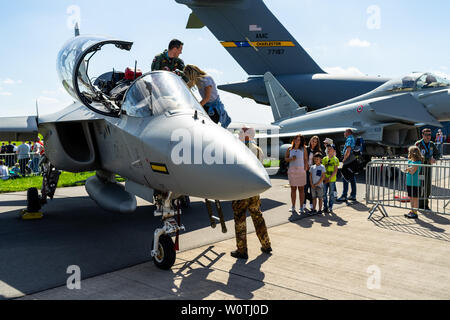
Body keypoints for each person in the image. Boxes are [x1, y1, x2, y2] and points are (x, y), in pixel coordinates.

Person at [230, 126, 272, 260]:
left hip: (241, 191)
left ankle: (242, 250)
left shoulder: (237, 149)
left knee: (240, 219)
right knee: (258, 217)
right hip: (254, 191)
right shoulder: (258, 150)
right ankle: (266, 244)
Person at [415, 128, 441, 210]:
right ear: (422, 135)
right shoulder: (418, 144)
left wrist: (435, 159)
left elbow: (438, 154)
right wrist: (428, 159)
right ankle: (419, 204)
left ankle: (425, 205)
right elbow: (417, 155)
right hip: (420, 169)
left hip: (428, 169)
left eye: (429, 135)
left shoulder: (432, 144)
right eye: (426, 135)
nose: (428, 137)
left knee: (427, 187)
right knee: (420, 186)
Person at [285, 134, 309, 214]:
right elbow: (286, 159)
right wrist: (291, 158)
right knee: (293, 189)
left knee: (301, 189)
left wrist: (305, 168)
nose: (297, 141)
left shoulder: (303, 148)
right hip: (292, 171)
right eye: (296, 139)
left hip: (301, 171)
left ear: (301, 141)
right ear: (294, 140)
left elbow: (306, 159)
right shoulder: (289, 149)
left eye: (299, 139)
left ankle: (301, 207)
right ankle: (293, 206)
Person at [337, 129, 357, 202]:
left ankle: (344, 195)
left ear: (348, 133)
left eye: (344, 132)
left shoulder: (349, 138)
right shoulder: (352, 138)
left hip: (348, 160)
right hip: (352, 159)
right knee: (352, 177)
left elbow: (348, 150)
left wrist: (344, 159)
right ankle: (353, 195)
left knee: (345, 177)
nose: (344, 133)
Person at [304, 136, 323, 211]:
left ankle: (312, 204)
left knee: (312, 188)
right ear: (310, 141)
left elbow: (319, 162)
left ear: (317, 143)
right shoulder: (306, 149)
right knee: (305, 189)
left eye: (315, 142)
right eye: (313, 141)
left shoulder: (318, 151)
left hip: (313, 171)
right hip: (306, 170)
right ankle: (303, 204)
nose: (314, 143)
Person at [404, 146, 423, 219]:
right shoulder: (409, 161)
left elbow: (412, 171)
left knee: (415, 198)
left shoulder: (418, 162)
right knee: (411, 197)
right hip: (409, 182)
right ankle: (412, 210)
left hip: (415, 182)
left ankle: (415, 212)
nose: (409, 153)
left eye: (409, 152)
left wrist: (408, 169)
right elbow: (409, 169)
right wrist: (409, 169)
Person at [322, 144, 340, 214]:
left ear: (334, 151)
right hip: (325, 179)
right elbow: (323, 169)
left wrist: (329, 178)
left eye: (330, 148)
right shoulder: (324, 159)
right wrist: (325, 178)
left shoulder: (336, 159)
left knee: (331, 193)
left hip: (332, 180)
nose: (329, 150)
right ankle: (325, 207)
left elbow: (335, 170)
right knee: (324, 193)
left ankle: (330, 207)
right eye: (328, 148)